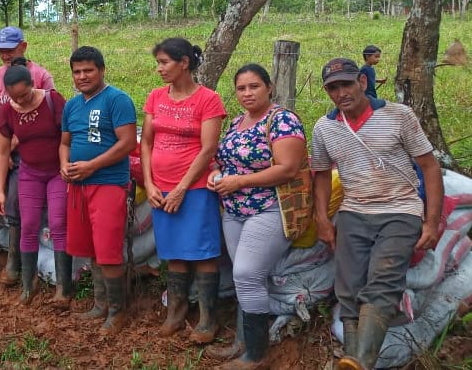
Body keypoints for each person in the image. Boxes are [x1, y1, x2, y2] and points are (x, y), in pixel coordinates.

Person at [312, 58, 442, 370]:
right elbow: (319, 175)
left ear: (363, 82)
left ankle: (360, 362)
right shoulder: (325, 127)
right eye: (333, 87)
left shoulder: (398, 115)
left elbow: (429, 166)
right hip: (354, 211)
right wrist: (322, 220)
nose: (341, 92)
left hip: (400, 209)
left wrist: (432, 222)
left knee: (383, 282)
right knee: (348, 290)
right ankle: (354, 360)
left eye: (346, 83)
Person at [206, 64, 308, 368]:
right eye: (241, 88)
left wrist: (238, 182)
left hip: (270, 208)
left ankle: (256, 355)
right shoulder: (237, 122)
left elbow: (288, 167)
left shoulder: (282, 120)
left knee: (247, 274)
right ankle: (242, 342)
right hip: (235, 211)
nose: (247, 93)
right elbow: (224, 160)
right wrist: (216, 174)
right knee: (245, 277)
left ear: (269, 87)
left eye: (254, 86)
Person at [141, 37, 226, 343]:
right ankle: (175, 312)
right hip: (160, 187)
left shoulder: (208, 100)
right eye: (158, 63)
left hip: (196, 188)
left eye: (164, 63)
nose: (159, 69)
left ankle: (207, 319)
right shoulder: (155, 97)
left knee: (203, 251)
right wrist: (150, 183)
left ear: (184, 63)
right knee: (174, 250)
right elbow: (146, 142)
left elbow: (207, 150)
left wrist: (181, 189)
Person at [59, 46, 137, 334]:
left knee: (108, 250)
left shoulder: (117, 100)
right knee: (91, 249)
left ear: (102, 70)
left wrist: (92, 165)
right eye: (77, 72)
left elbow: (128, 142)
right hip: (78, 187)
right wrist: (64, 165)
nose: (82, 76)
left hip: (107, 184)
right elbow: (65, 142)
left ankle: (117, 312)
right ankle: (100, 304)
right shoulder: (72, 105)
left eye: (88, 70)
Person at [0, 26, 55, 285]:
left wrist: (11, 146)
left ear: (23, 47)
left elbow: (44, 118)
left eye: (10, 50)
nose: (5, 55)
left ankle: (13, 265)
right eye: (1, 51)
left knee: (17, 209)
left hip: (25, 152)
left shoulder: (40, 76)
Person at [0, 57, 70, 306]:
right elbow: (3, 151)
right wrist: (0, 191)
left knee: (59, 223)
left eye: (25, 95)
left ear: (32, 85)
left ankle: (63, 288)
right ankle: (29, 285)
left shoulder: (52, 100)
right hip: (30, 173)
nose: (21, 102)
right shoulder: (7, 110)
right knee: (28, 225)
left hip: (57, 172)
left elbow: (67, 137)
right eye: (15, 98)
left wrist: (65, 166)